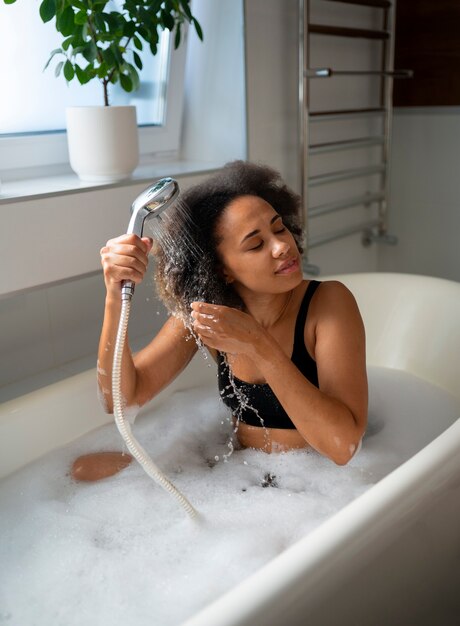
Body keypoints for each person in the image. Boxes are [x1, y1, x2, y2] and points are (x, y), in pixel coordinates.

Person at [71, 161, 368, 481]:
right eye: (256, 244)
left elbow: (344, 447)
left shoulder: (327, 304)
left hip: (314, 483)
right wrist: (115, 294)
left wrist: (258, 344)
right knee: (83, 469)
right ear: (221, 269)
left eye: (279, 228)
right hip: (238, 474)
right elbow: (120, 399)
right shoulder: (208, 314)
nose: (282, 246)